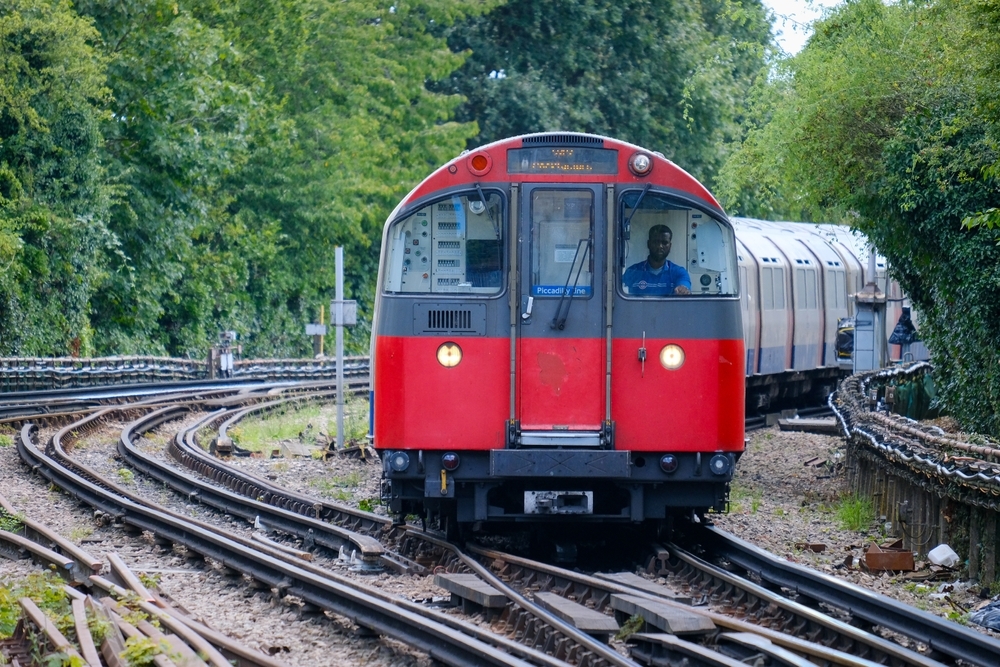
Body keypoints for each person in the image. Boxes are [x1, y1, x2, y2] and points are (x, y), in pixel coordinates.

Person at [622, 225, 691, 295]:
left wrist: (682, 289)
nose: (660, 246)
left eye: (664, 243)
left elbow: (684, 285)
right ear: (648, 244)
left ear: (670, 246)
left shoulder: (679, 272)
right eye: (656, 242)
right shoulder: (632, 272)